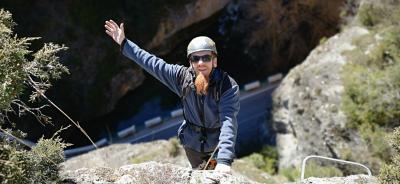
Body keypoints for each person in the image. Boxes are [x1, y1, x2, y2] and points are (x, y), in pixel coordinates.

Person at [104, 20, 240, 174]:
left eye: (206, 58)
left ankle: (213, 167)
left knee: (213, 173)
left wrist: (224, 160)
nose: (201, 63)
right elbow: (151, 62)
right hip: (192, 144)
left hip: (217, 146)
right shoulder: (181, 78)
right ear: (190, 62)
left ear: (214, 61)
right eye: (195, 58)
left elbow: (228, 122)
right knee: (199, 173)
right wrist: (124, 43)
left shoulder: (227, 86)